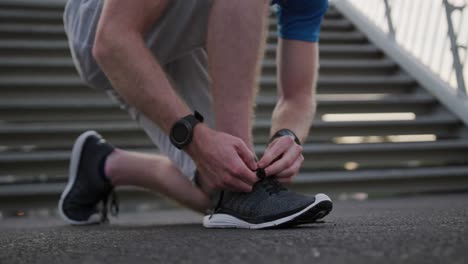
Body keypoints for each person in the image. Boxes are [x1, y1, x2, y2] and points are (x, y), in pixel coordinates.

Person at [58, 0, 333, 229]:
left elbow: (298, 97)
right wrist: (196, 139)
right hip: (103, 28)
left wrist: (288, 135)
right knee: (239, 187)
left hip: (175, 41)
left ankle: (105, 165)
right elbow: (110, 40)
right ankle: (243, 172)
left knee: (221, 186)